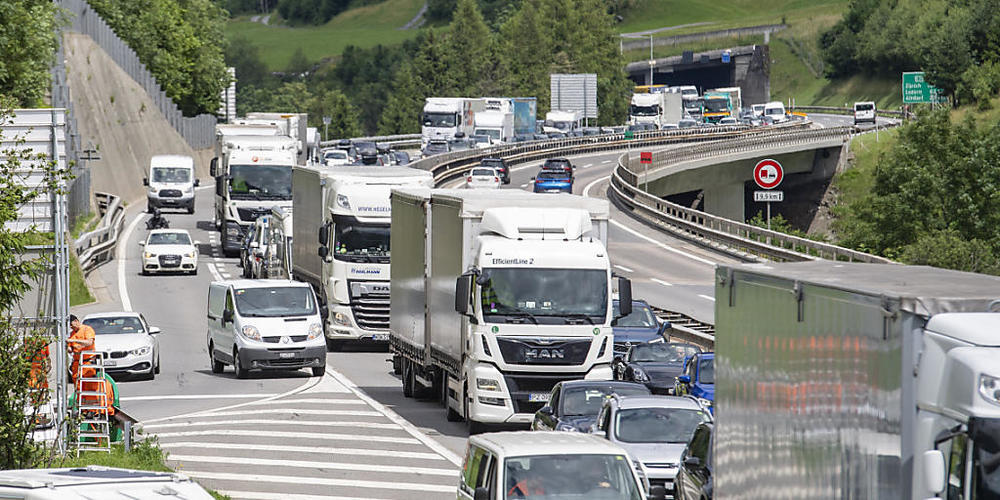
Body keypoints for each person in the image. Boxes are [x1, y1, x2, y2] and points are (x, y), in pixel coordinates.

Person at [68, 314, 96, 384]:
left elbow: (89, 342)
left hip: (87, 362)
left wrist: (75, 341)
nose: (71, 327)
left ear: (76, 321)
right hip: (77, 362)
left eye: (71, 325)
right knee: (77, 383)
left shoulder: (87, 329)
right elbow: (70, 350)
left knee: (88, 383)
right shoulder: (72, 333)